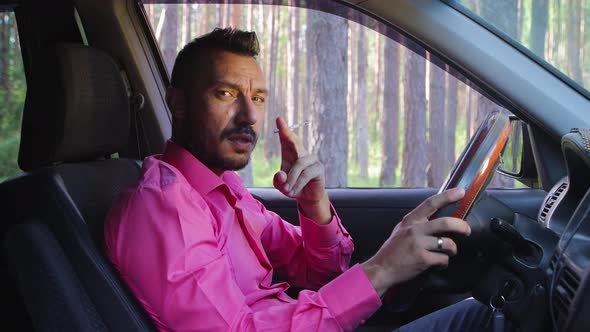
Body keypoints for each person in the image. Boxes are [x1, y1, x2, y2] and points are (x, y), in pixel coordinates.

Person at [104, 28, 491, 331]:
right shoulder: (163, 206)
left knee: (489, 313)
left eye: (257, 98)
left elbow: (321, 272)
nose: (249, 116)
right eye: (226, 93)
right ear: (178, 103)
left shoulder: (225, 192)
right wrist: (382, 269)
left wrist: (313, 205)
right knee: (492, 319)